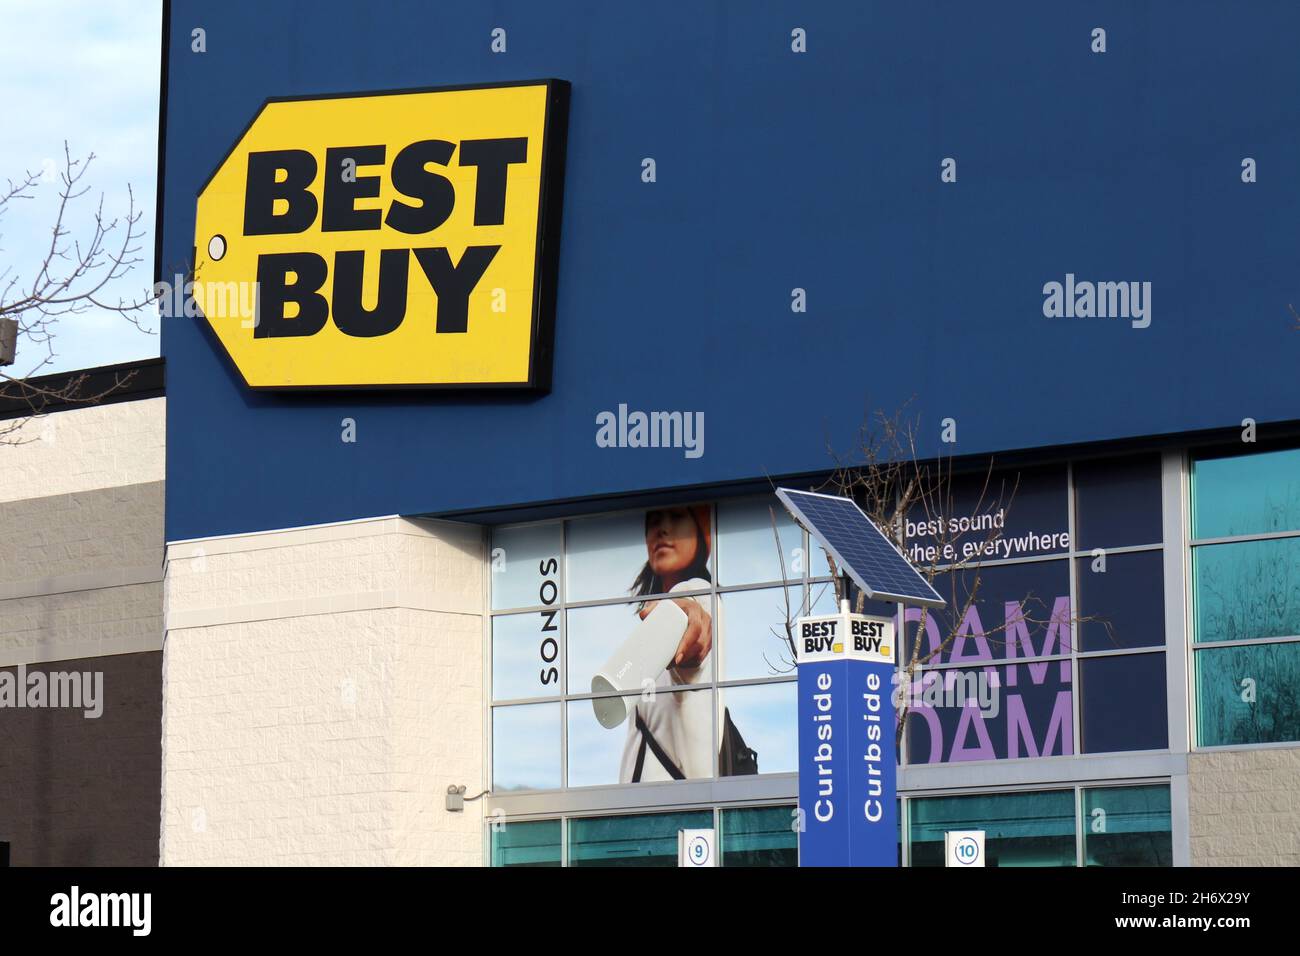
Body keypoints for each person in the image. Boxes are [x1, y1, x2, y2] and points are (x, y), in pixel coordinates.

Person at [619, 505, 715, 783]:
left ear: (700, 532)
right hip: (642, 811)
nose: (662, 528)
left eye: (676, 517)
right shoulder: (652, 623)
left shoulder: (701, 595)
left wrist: (690, 619)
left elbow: (694, 612)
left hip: (670, 811)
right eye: (653, 521)